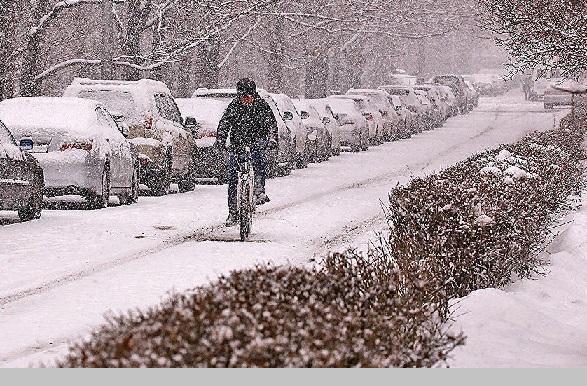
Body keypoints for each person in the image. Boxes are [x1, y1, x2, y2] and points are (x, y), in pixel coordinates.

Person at [215, 78, 278, 227]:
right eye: (243, 97)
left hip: (257, 140)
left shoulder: (262, 105)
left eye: (249, 97)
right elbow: (224, 124)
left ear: (254, 95)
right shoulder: (234, 106)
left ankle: (259, 189)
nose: (246, 100)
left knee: (259, 160)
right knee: (233, 177)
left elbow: (272, 124)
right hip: (238, 143)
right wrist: (221, 140)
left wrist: (272, 139)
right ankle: (233, 211)